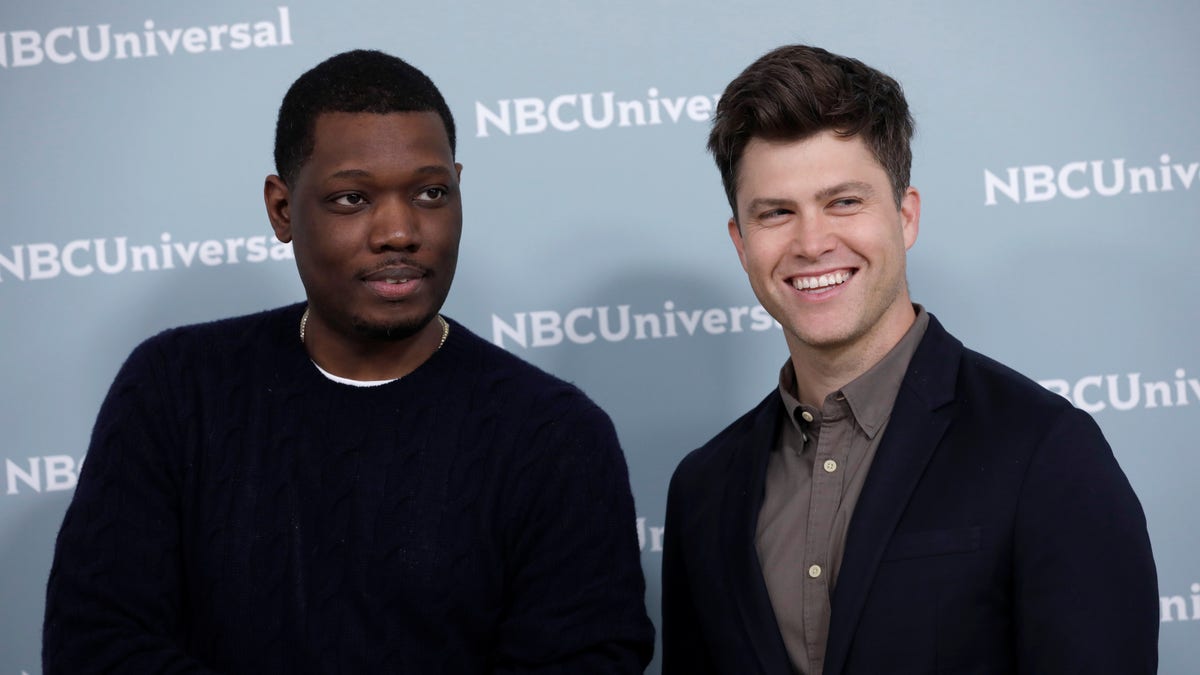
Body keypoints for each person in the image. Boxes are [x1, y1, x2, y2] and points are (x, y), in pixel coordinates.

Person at [43, 49, 654, 674]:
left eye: (431, 192)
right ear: (282, 209)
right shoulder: (176, 387)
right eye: (352, 199)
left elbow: (584, 659)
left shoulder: (553, 434)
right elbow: (95, 643)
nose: (398, 231)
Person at [661, 44, 1158, 675]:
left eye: (844, 202)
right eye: (777, 213)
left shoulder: (1044, 450)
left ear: (906, 215)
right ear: (740, 242)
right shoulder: (702, 488)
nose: (812, 243)